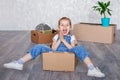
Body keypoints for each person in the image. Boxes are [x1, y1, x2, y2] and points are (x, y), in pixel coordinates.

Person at [4, 17, 105, 78]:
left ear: (70, 27)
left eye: (67, 25)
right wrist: (59, 39)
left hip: (68, 52)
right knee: (40, 46)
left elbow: (72, 48)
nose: (64, 27)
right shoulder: (56, 36)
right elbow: (54, 49)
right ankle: (19, 63)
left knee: (80, 48)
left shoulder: (72, 37)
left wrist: (64, 40)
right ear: (58, 27)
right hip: (55, 51)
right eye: (62, 25)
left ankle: (91, 69)